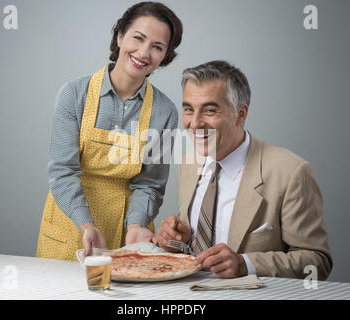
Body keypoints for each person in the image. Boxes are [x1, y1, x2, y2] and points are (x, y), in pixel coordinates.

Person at [156, 60, 333, 280]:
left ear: (241, 114)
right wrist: (178, 242)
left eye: (210, 110)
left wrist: (245, 264)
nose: (195, 123)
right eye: (188, 109)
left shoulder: (291, 172)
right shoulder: (188, 162)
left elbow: (317, 262)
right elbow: (197, 251)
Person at [36, 2, 183, 260]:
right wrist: (86, 223)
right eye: (138, 38)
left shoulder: (165, 111)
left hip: (131, 231)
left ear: (165, 56)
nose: (144, 52)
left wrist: (136, 224)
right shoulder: (74, 94)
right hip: (73, 223)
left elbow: (150, 183)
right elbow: (62, 171)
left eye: (157, 47)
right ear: (120, 36)